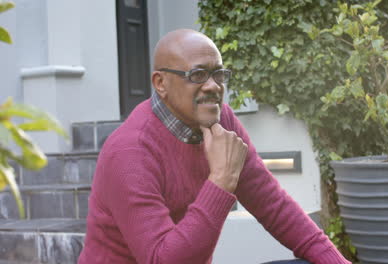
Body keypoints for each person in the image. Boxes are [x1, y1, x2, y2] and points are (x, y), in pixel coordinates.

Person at [78, 29, 351, 264]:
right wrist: (221, 180)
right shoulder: (130, 152)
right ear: (161, 83)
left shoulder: (222, 120)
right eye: (197, 75)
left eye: (218, 74)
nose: (213, 86)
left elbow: (274, 207)